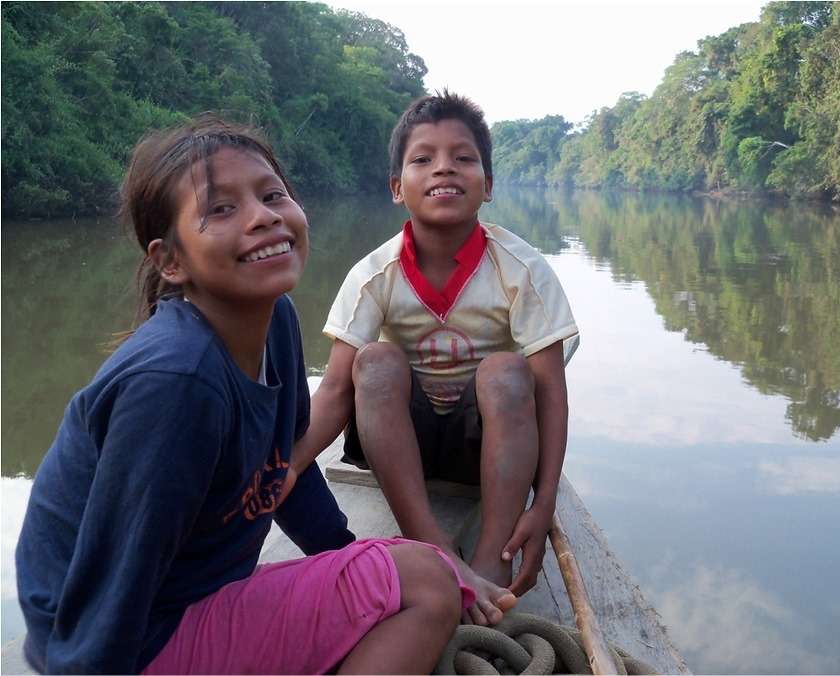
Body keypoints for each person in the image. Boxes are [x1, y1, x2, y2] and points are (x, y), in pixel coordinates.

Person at [15, 116, 474, 675]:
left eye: (272, 195)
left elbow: (283, 469)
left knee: (398, 576)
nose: (264, 217)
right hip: (118, 641)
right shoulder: (176, 384)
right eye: (222, 209)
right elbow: (110, 593)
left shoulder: (275, 320)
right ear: (170, 261)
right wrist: (384, 580)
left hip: (183, 601)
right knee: (427, 582)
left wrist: (349, 561)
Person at [286, 92, 579, 627]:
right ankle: (432, 546)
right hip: (401, 449)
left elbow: (551, 394)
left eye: (463, 157)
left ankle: (491, 558)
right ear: (397, 187)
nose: (444, 168)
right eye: (423, 158)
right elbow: (334, 391)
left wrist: (544, 505)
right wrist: (288, 466)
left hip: (486, 449)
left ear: (488, 184)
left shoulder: (522, 269)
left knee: (507, 370)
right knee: (375, 361)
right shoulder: (375, 273)